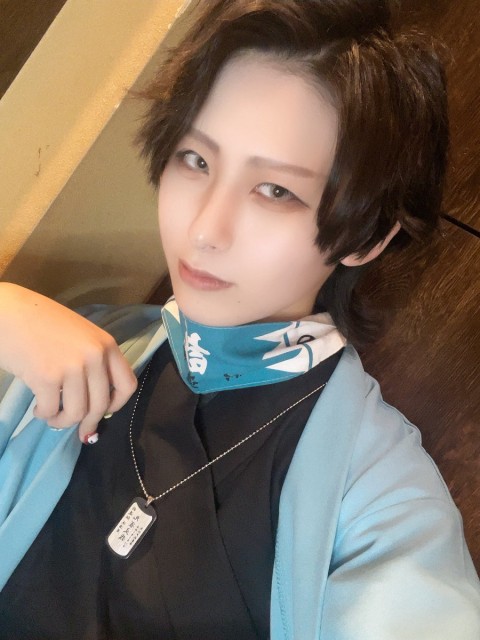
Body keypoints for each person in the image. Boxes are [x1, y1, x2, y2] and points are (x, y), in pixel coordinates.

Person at [0, 0, 479, 638]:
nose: (204, 230)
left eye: (276, 191)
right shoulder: (82, 344)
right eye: (195, 160)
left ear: (366, 237)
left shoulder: (380, 502)